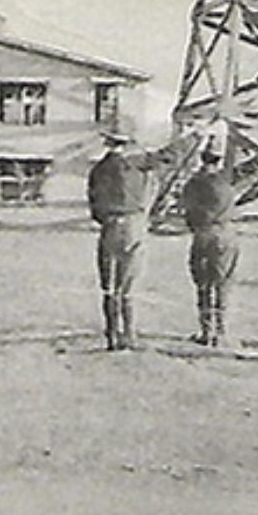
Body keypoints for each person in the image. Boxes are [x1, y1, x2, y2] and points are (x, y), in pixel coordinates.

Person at [86, 130, 186, 351]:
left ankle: (111, 335)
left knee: (109, 286)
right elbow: (169, 157)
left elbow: (93, 202)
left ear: (107, 143)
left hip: (109, 226)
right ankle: (129, 335)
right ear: (127, 144)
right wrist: (193, 134)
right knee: (128, 285)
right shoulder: (136, 164)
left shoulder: (98, 170)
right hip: (133, 224)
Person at [180, 145, 238, 347]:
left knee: (203, 283)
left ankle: (206, 331)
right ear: (217, 162)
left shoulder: (193, 184)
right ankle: (221, 330)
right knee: (223, 281)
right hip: (226, 233)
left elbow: (187, 208)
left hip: (203, 233)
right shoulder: (226, 183)